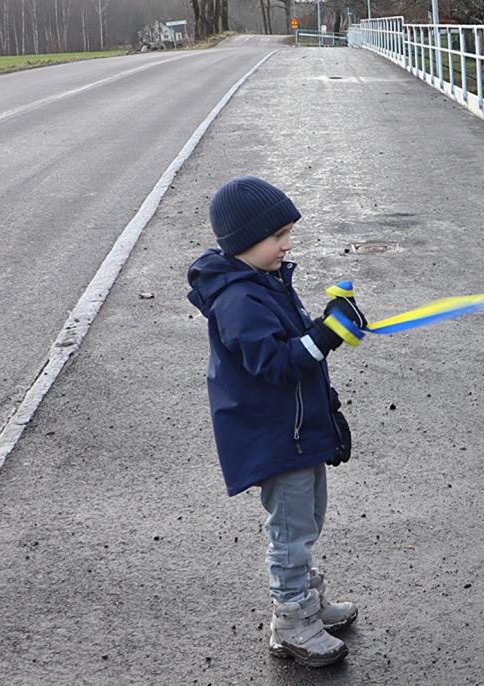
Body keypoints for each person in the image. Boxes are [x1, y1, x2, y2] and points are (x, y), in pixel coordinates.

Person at [187, 176, 368, 667]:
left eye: (288, 233)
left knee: (306, 520)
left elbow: (300, 352)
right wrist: (328, 333)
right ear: (244, 240)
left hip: (297, 431)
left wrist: (330, 329)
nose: (287, 245)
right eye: (278, 236)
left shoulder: (266, 282)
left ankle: (305, 602)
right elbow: (277, 363)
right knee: (290, 530)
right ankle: (291, 620)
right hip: (273, 436)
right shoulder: (237, 300)